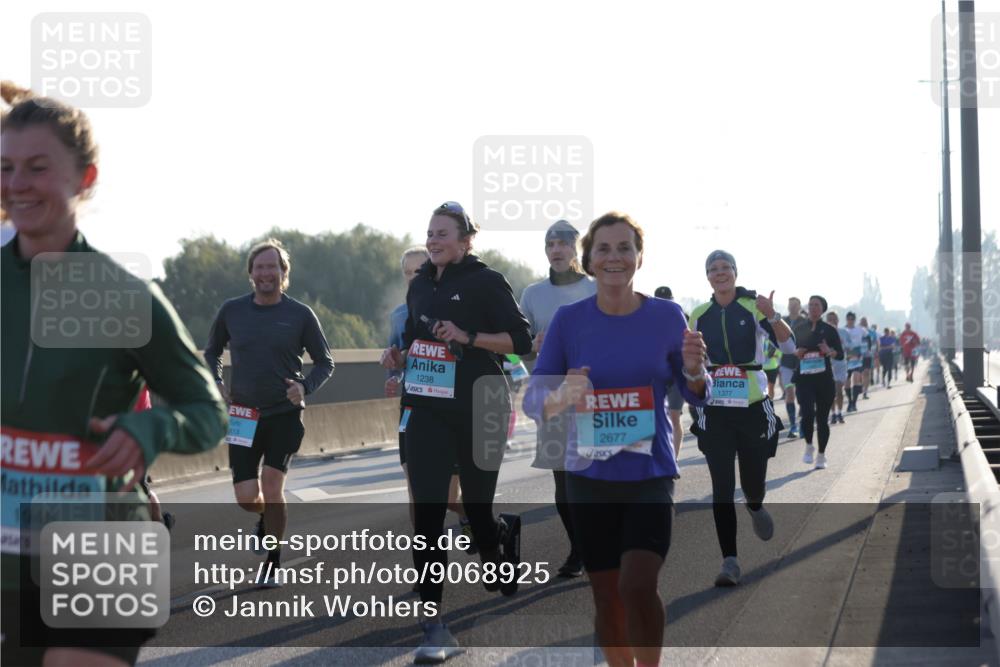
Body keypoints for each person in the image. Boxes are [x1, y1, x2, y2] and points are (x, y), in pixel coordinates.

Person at [1, 81, 227, 667]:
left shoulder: (127, 297)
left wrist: (149, 431)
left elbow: (206, 413)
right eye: (5, 167)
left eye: (37, 167)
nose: (17, 183)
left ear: (85, 178)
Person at [523, 212, 709, 667]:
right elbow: (533, 401)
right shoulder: (570, 321)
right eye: (603, 249)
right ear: (588, 260)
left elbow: (695, 395)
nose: (614, 257)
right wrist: (563, 393)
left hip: (650, 472)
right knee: (607, 596)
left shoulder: (667, 316)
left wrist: (693, 370)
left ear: (639, 258)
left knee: (638, 585)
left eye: (625, 248)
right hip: (588, 475)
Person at [380, 201, 532, 663]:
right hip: (426, 409)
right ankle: (435, 624)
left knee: (479, 512)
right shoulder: (421, 283)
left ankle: (497, 537)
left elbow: (521, 340)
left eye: (443, 233)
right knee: (426, 513)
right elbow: (415, 339)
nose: (434, 240)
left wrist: (469, 337)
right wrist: (400, 358)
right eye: (430, 233)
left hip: (482, 403)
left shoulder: (486, 281)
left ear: (466, 240)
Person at [204, 238, 334, 585]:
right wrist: (216, 381)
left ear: (283, 272)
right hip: (244, 416)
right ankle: (263, 519)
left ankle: (273, 563)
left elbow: (325, 362)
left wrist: (304, 387)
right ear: (251, 274)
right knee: (247, 496)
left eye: (272, 267)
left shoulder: (300, 314)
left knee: (272, 485)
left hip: (284, 414)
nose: (265, 273)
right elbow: (211, 352)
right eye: (259, 267)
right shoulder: (232, 311)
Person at [688, 250, 795, 587]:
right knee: (721, 489)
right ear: (707, 277)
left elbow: (790, 347)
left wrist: (773, 314)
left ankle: (754, 505)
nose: (720, 274)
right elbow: (689, 357)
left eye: (725, 268)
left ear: (735, 272)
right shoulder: (698, 315)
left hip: (752, 406)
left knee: (752, 482)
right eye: (713, 269)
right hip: (715, 408)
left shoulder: (752, 307)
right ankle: (729, 561)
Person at [519, 219, 596, 579]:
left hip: (596, 394)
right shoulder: (533, 295)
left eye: (563, 243)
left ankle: (602, 544)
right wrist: (532, 349)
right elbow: (523, 348)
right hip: (552, 394)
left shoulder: (595, 287)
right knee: (563, 485)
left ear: (575, 249)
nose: (557, 249)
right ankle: (579, 549)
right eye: (551, 244)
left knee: (599, 478)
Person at [387, 247, 471, 551]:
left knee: (449, 498)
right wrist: (393, 367)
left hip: (450, 410)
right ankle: (426, 562)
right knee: (416, 491)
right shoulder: (399, 314)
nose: (413, 278)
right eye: (408, 273)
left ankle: (473, 517)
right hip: (413, 407)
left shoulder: (456, 307)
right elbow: (397, 356)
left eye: (419, 270)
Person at [791, 297, 844, 469]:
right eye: (811, 305)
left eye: (817, 305)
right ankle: (809, 445)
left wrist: (829, 351)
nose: (813, 308)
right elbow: (790, 349)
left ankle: (821, 454)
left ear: (823, 309)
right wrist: (796, 352)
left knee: (822, 419)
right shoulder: (798, 328)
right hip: (804, 378)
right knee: (806, 414)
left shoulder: (829, 330)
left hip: (823, 380)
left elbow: (841, 354)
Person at [655, 286, 688, 458]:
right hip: (656, 376)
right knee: (657, 417)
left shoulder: (682, 317)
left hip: (677, 375)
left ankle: (673, 460)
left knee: (674, 416)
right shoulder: (646, 321)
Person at [780, 297, 807, 438]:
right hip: (786, 363)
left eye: (795, 305)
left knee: (802, 396)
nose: (792, 307)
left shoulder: (804, 321)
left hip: (802, 363)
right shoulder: (782, 320)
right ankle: (793, 426)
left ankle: (803, 424)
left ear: (799, 306)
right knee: (789, 393)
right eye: (790, 305)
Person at [825, 311, 848, 424]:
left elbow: (850, 346)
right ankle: (833, 414)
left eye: (834, 319)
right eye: (829, 319)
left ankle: (840, 412)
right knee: (830, 392)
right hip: (828, 364)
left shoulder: (843, 332)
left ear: (838, 321)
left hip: (841, 364)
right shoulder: (823, 333)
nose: (831, 321)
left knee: (839, 390)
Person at [842, 312, 866, 412]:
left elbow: (867, 338)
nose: (850, 320)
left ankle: (854, 403)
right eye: (849, 319)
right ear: (846, 319)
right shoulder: (843, 330)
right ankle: (850, 401)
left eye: (852, 319)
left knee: (856, 378)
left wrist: (864, 351)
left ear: (854, 320)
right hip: (846, 357)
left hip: (857, 356)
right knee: (847, 383)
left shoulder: (860, 329)